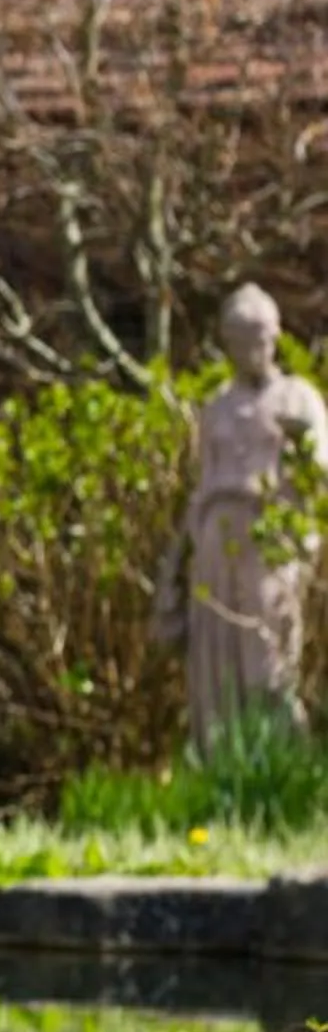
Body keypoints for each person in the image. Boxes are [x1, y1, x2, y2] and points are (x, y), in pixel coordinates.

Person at [152, 285, 328, 748]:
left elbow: (322, 476)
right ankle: (219, 761)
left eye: (259, 338)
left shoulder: (299, 399)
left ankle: (281, 759)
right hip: (215, 539)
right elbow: (203, 483)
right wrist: (179, 554)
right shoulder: (217, 408)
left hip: (270, 543)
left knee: (267, 658)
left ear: (275, 337)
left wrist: (306, 443)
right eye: (239, 339)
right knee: (215, 658)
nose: (251, 350)